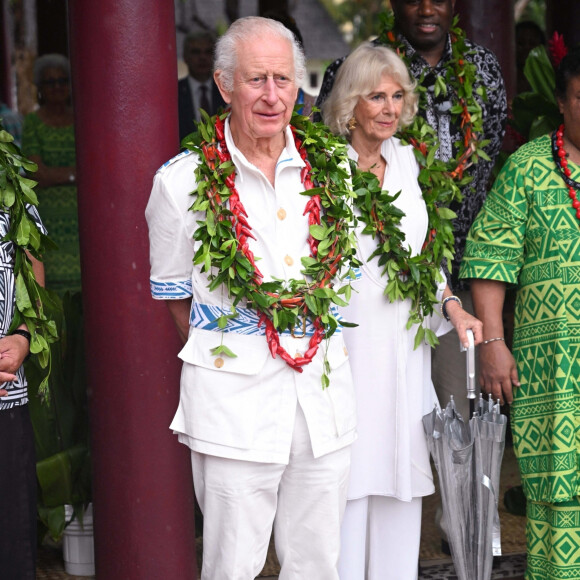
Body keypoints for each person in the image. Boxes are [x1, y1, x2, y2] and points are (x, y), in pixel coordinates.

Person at [146, 16, 359, 579]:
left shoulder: (334, 169)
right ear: (223, 85)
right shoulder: (181, 181)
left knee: (318, 563)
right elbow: (174, 299)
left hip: (322, 398)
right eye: (256, 79)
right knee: (231, 565)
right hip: (233, 406)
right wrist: (238, 352)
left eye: (283, 80)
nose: (272, 96)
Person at [322, 42, 483, 580]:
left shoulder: (409, 159)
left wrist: (453, 305)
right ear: (351, 104)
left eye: (397, 96)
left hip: (404, 343)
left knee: (400, 480)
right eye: (376, 97)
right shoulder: (324, 169)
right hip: (345, 346)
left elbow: (425, 257)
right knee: (346, 484)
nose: (390, 107)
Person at [316, 0, 507, 425]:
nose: (425, 7)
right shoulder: (353, 73)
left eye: (397, 96)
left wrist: (454, 294)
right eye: (377, 97)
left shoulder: (482, 71)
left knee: (449, 418)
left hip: (448, 276)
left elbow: (490, 153)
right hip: (358, 314)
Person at [460, 46, 580, 580]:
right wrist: (492, 343)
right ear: (561, 101)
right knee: (559, 491)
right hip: (553, 369)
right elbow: (490, 257)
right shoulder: (528, 167)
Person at [0, 135, 47, 577]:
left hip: (5, 389)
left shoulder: (8, 181)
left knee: (11, 536)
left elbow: (32, 269)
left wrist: (24, 335)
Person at [22, 54, 80, 296]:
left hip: (80, 216)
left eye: (62, 81)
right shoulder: (33, 123)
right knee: (53, 292)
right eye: (50, 82)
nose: (57, 87)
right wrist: (75, 175)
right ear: (40, 88)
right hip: (49, 218)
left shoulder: (81, 118)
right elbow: (37, 174)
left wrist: (58, 174)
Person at [178, 30, 226, 142]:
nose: (202, 57)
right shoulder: (175, 92)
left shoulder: (226, 89)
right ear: (185, 57)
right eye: (196, 52)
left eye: (208, 52)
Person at [515, 20, 545, 94]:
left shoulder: (547, 79)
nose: (526, 48)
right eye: (520, 43)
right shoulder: (504, 77)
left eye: (532, 43)